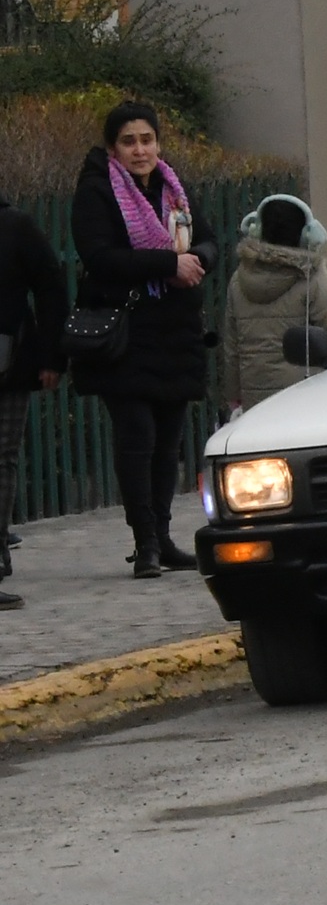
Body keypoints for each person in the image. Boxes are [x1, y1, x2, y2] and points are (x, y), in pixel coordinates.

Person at [70, 100, 209, 579]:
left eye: (147, 139)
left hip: (174, 332)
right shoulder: (97, 192)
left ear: (158, 144)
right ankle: (144, 541)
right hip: (126, 333)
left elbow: (207, 239)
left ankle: (164, 536)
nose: (139, 149)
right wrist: (169, 264)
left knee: (168, 442)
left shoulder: (173, 190)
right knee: (138, 437)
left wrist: (197, 260)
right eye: (128, 141)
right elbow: (100, 256)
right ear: (113, 148)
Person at [217, 195, 327, 416]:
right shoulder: (312, 277)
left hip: (255, 405)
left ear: (257, 230)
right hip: (303, 399)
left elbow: (231, 348)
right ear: (307, 235)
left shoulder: (239, 279)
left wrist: (234, 397)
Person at [0, 190, 68, 609]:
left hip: (9, 364)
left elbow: (51, 289)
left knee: (2, 458)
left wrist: (50, 357)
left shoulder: (16, 226)